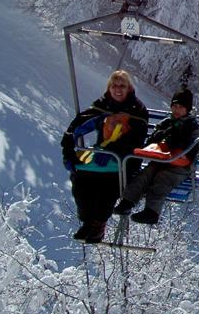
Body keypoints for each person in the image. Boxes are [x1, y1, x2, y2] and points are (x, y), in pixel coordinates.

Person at [61, 70, 149, 243]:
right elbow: (77, 126)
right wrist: (68, 151)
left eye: (122, 86)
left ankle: (99, 223)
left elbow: (137, 139)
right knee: (81, 177)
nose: (118, 89)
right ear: (109, 88)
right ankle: (87, 222)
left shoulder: (137, 110)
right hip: (102, 153)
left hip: (125, 158)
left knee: (107, 183)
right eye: (114, 86)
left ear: (129, 88)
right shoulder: (102, 105)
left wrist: (115, 152)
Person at [113, 88, 199, 225]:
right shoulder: (167, 123)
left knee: (162, 179)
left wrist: (184, 146)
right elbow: (151, 142)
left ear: (187, 109)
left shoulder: (193, 126)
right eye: (175, 106)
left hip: (180, 167)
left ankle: (152, 212)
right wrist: (161, 135)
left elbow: (197, 145)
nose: (177, 110)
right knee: (145, 175)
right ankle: (127, 202)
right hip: (161, 161)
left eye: (181, 107)